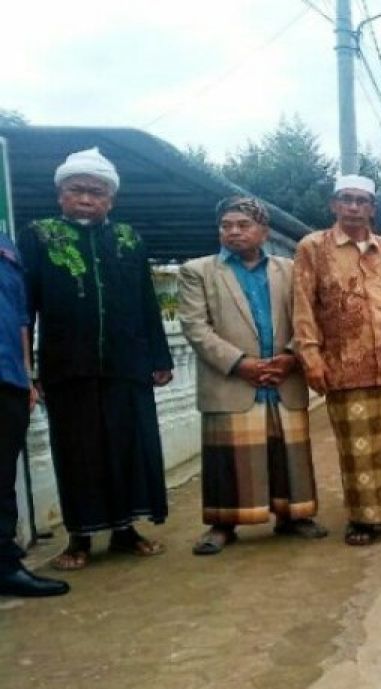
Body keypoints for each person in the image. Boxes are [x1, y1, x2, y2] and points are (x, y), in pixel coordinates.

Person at [18, 148, 173, 571]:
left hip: (127, 367)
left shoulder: (129, 239)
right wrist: (27, 368)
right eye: (76, 190)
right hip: (67, 369)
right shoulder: (38, 235)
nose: (86, 199)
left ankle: (125, 532)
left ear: (111, 199)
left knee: (128, 448)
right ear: (60, 195)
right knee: (78, 453)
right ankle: (80, 538)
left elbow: (147, 300)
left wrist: (159, 356)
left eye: (96, 192)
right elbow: (24, 306)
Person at [292, 175, 381, 546]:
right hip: (346, 362)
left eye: (361, 201)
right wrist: (310, 356)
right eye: (346, 200)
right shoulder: (313, 248)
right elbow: (303, 306)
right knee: (359, 445)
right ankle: (364, 518)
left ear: (373, 209)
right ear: (334, 205)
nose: (354, 207)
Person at [177, 197, 326, 555]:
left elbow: (312, 314)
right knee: (226, 461)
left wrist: (292, 356)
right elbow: (196, 328)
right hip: (230, 379)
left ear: (263, 231)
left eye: (243, 225)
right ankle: (222, 524)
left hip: (283, 378)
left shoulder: (290, 269)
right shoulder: (198, 271)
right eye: (226, 225)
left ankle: (293, 517)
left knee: (286, 454)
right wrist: (240, 363)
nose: (233, 232)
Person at [0, 232, 69, 596]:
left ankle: (5, 566)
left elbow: (21, 317)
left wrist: (26, 375)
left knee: (2, 479)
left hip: (8, 377)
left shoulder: (6, 245)